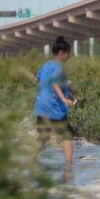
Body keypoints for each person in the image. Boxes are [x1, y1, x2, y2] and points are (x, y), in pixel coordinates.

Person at [35, 36, 77, 169]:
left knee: (43, 137)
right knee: (67, 134)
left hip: (41, 107)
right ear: (61, 53)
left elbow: (39, 80)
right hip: (55, 108)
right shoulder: (59, 67)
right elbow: (54, 82)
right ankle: (69, 166)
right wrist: (64, 98)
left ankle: (28, 161)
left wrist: (68, 89)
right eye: (68, 53)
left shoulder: (46, 65)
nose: (69, 56)